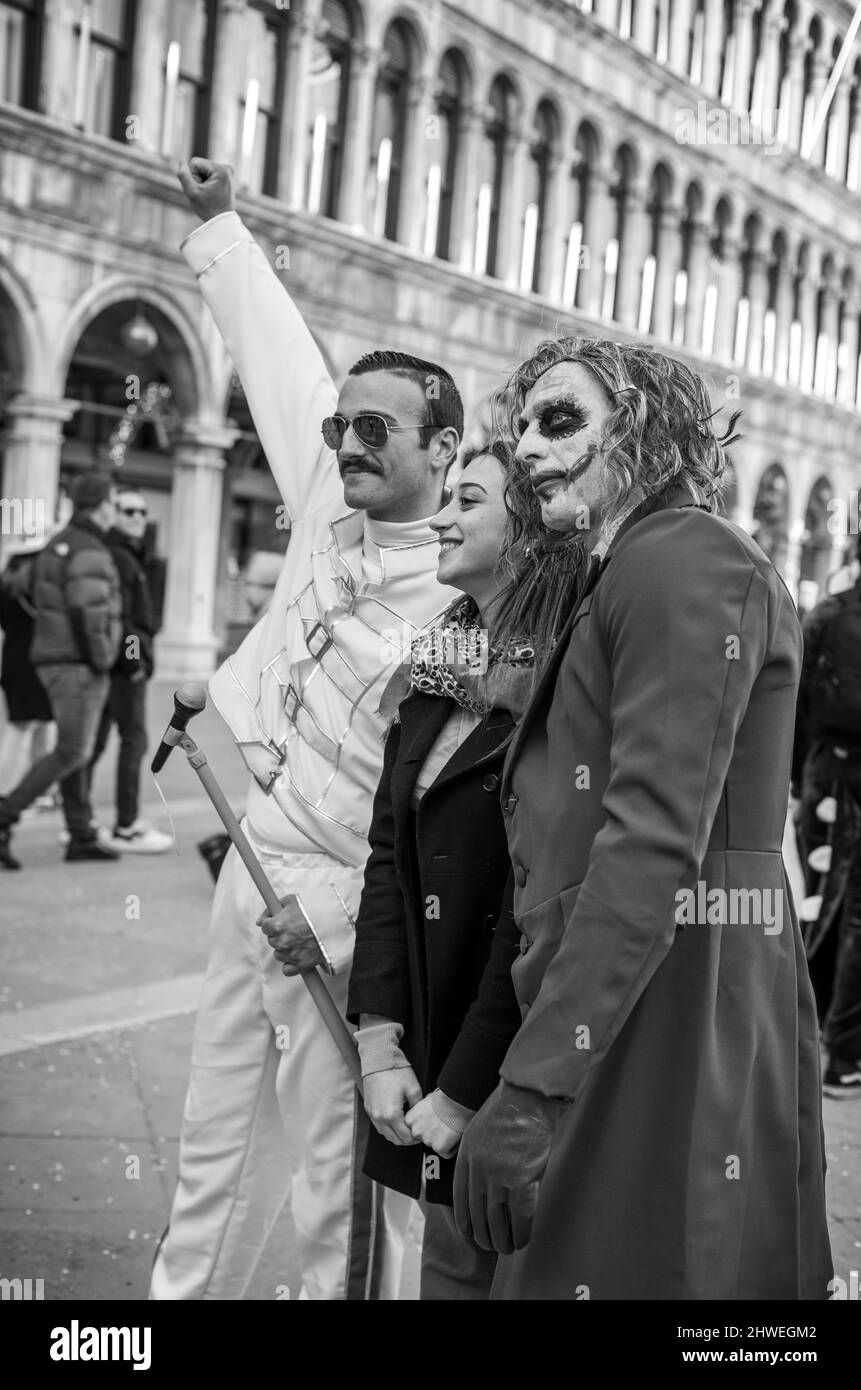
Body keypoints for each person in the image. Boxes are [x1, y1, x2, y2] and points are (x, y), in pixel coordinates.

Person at [453, 336, 833, 1300]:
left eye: (561, 419)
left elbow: (652, 844)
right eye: (523, 423)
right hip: (628, 991)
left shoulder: (685, 559)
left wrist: (533, 1088)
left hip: (668, 997)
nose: (529, 447)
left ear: (646, 429)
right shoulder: (629, 569)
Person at [150, 158, 463, 1301]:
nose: (349, 443)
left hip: (338, 909)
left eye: (379, 428)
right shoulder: (332, 488)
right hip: (249, 856)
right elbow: (282, 367)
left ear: (445, 449)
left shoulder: (473, 592)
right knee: (207, 1142)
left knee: (338, 1181)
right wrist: (223, 225)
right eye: (345, 426)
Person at [339, 441, 586, 1299]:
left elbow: (533, 907)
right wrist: (377, 1036)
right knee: (443, 1274)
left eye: (467, 501)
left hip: (512, 1068)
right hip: (425, 1051)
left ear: (525, 532)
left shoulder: (565, 685)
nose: (440, 517)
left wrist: (463, 1087)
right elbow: (387, 859)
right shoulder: (435, 667)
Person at [0, 473, 122, 869]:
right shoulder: (89, 550)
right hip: (78, 663)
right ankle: (5, 816)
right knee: (71, 750)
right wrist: (103, 656)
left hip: (54, 658)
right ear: (101, 504)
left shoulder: (57, 544)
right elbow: (89, 612)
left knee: (75, 750)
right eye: (114, 501)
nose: (115, 509)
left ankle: (80, 834)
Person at [792, 529, 861, 1098]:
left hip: (826, 776)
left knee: (817, 901)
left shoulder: (828, 614)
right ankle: (839, 1050)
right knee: (854, 913)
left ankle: (802, 1038)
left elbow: (792, 699)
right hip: (847, 774)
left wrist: (793, 782)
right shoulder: (832, 615)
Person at [87, 489, 171, 853]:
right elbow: (123, 618)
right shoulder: (120, 557)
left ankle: (81, 822)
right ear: (114, 514)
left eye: (142, 511)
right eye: (128, 511)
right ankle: (126, 825)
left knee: (97, 741)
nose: (137, 517)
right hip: (123, 667)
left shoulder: (128, 554)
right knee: (133, 741)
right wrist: (134, 661)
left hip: (112, 665)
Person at [0, 542, 56, 804]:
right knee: (24, 730)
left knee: (37, 728)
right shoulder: (40, 583)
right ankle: (6, 792)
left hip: (13, 662)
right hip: (37, 664)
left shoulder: (7, 582)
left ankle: (40, 790)